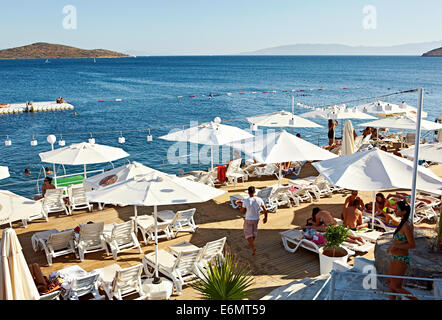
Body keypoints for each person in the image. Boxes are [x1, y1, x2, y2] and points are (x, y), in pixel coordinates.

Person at [387, 201, 417, 300]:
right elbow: (398, 240)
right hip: (395, 257)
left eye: (397, 209)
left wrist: (396, 246)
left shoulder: (406, 226)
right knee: (390, 284)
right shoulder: (403, 222)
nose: (394, 211)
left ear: (404, 212)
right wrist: (392, 246)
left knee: (396, 287)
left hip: (401, 259)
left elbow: (412, 245)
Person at [238, 186, 268, 256]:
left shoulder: (246, 201)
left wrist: (240, 207)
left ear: (248, 192)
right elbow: (265, 210)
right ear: (254, 192)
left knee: (248, 234)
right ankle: (252, 243)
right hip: (256, 219)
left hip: (248, 219)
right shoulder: (259, 199)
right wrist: (265, 217)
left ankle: (253, 247)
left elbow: (242, 211)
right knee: (254, 232)